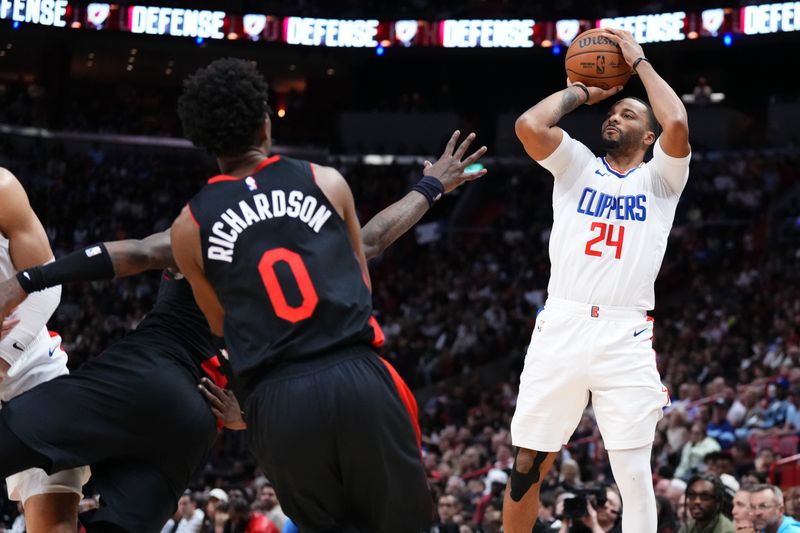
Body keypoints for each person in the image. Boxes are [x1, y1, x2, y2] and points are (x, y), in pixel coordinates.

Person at [0, 127, 485, 531]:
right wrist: (430, 188)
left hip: (151, 372)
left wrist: (31, 278)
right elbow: (376, 238)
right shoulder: (315, 245)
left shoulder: (205, 225)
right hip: (200, 422)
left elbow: (132, 253)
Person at [169, 57, 487, 532]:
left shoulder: (187, 227)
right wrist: (431, 185)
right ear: (264, 124)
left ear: (202, 140)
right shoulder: (323, 180)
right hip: (354, 376)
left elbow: (223, 333)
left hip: (276, 401)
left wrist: (247, 406)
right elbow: (370, 253)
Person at [505, 27, 691, 533]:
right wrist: (584, 91)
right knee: (527, 464)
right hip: (562, 320)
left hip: (624, 331)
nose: (615, 116)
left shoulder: (662, 180)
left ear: (649, 138)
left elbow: (675, 118)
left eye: (628, 114)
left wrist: (640, 62)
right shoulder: (578, 165)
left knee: (632, 473)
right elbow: (529, 125)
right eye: (612, 113)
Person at [0, 167, 90, 533]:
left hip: (29, 369)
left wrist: (3, 356)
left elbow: (47, 283)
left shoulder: (2, 187)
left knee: (53, 519)